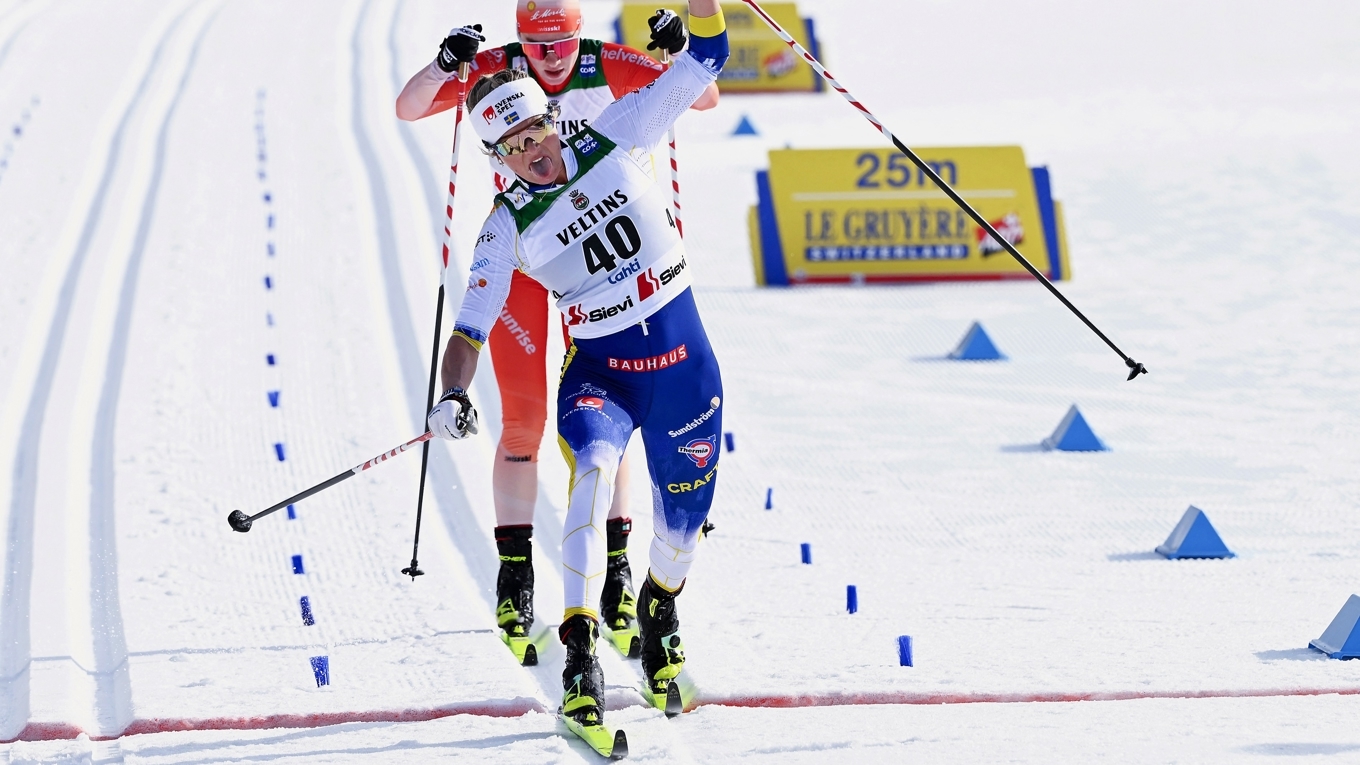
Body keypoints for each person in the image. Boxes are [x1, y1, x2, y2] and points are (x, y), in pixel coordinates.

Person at [425, 1, 728, 728]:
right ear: (497, 160)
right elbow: (468, 328)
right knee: (590, 475)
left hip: (685, 374)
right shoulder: (506, 227)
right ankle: (580, 655)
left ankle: (659, 609)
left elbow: (706, 61)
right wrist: (453, 393)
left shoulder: (617, 131)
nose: (531, 153)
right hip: (603, 377)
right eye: (512, 148)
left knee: (682, 529)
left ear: (549, 123)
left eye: (534, 133)